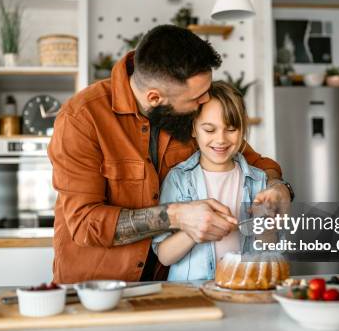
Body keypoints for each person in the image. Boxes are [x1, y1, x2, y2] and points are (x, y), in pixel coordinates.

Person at [48, 25, 293, 283]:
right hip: (97, 285)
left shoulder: (187, 114)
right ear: (155, 98)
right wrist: (177, 216)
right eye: (198, 97)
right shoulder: (81, 118)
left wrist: (278, 186)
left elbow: (255, 162)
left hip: (165, 285)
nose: (206, 100)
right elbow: (86, 223)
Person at [152, 81, 266, 280]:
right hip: (190, 298)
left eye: (230, 129)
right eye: (210, 130)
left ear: (242, 129)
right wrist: (195, 229)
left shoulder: (258, 180)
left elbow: (270, 250)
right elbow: (164, 256)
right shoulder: (179, 179)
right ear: (194, 129)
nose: (221, 139)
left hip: (243, 289)